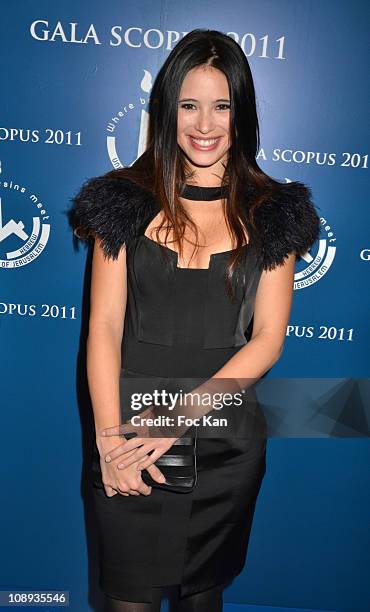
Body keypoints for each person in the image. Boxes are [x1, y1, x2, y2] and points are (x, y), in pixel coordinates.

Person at [70, 29, 320, 612]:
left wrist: (173, 424)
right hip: (127, 436)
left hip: (222, 443)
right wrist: (112, 443)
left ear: (243, 112)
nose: (204, 124)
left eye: (222, 105)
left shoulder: (276, 213)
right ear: (166, 111)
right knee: (124, 600)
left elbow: (268, 341)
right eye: (188, 104)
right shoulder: (123, 201)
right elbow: (104, 327)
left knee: (202, 599)